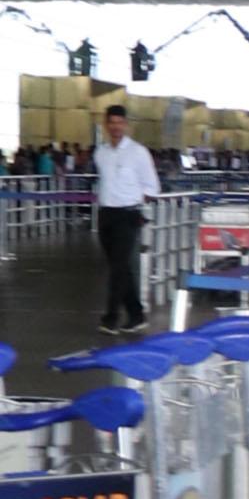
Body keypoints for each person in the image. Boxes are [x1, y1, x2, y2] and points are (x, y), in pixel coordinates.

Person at [92, 103, 160, 334]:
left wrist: (135, 205)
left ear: (126, 125)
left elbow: (152, 187)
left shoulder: (138, 153)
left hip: (128, 214)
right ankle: (137, 315)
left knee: (119, 268)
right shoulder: (100, 153)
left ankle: (110, 318)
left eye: (120, 122)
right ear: (106, 125)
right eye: (111, 123)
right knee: (120, 268)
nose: (116, 127)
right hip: (106, 214)